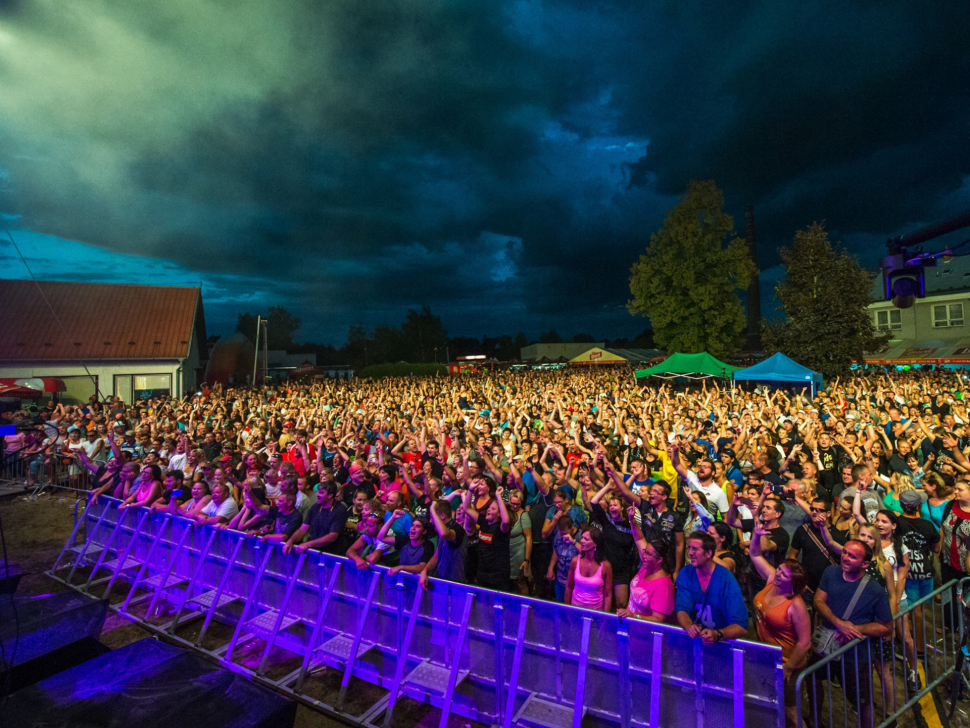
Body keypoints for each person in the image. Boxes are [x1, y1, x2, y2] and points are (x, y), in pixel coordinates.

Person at [807, 540, 893, 728]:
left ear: (865, 564)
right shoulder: (831, 572)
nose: (845, 557)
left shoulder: (875, 590)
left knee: (862, 699)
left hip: (856, 655)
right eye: (844, 552)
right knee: (813, 680)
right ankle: (815, 721)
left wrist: (855, 629)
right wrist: (839, 624)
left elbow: (887, 627)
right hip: (826, 644)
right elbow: (818, 600)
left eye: (852, 556)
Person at [749, 524, 811, 727]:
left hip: (786, 664)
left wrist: (789, 667)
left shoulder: (796, 605)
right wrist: (757, 536)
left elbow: (804, 642)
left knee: (791, 713)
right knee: (768, 705)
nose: (778, 575)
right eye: (780, 570)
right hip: (765, 658)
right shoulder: (770, 581)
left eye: (784, 575)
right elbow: (755, 555)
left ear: (793, 583)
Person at [675, 532, 749, 645]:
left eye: (695, 549)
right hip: (693, 642)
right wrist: (689, 627)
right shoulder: (685, 573)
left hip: (722, 645)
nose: (690, 553)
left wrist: (718, 634)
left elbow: (741, 626)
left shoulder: (726, 579)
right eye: (689, 548)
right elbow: (682, 609)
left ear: (709, 553)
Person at [618, 508, 675, 623]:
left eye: (648, 554)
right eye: (645, 551)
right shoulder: (647, 566)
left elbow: (659, 619)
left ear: (659, 560)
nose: (643, 555)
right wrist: (631, 519)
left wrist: (634, 615)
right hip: (631, 627)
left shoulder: (663, 585)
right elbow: (639, 538)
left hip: (644, 636)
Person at [464, 485, 512, 591]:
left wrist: (498, 496)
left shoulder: (502, 529)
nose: (488, 510)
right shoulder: (484, 522)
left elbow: (506, 521)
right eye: (489, 507)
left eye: (493, 509)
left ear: (499, 514)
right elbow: (467, 508)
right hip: (482, 573)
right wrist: (470, 490)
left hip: (498, 576)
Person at [283, 480, 348, 555]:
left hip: (332, 553)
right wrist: (291, 541)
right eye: (317, 492)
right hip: (315, 550)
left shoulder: (339, 510)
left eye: (321, 492)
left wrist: (308, 544)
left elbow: (332, 536)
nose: (317, 495)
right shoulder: (315, 507)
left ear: (330, 495)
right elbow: (303, 529)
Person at [565, 526, 613, 612]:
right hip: (575, 611)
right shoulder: (575, 561)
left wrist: (605, 618)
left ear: (596, 544)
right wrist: (566, 609)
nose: (582, 541)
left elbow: (608, 595)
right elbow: (569, 586)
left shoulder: (606, 566)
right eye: (582, 538)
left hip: (596, 614)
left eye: (586, 539)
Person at [548, 515, 580, 603]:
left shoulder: (581, 536)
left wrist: (573, 542)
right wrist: (550, 568)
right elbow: (556, 552)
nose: (563, 535)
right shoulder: (559, 535)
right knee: (560, 606)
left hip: (574, 583)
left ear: (572, 527)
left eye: (565, 533)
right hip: (560, 579)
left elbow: (586, 553)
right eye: (561, 533)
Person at [507, 489, 533, 595]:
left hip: (518, 554)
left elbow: (529, 539)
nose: (514, 506)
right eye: (512, 503)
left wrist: (526, 560)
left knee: (520, 582)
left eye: (517, 504)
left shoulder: (523, 516)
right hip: (507, 553)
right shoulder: (506, 512)